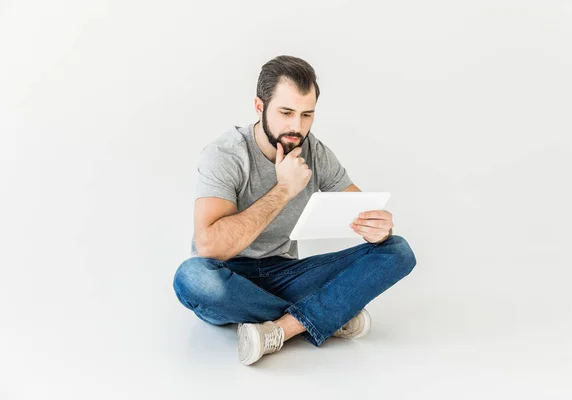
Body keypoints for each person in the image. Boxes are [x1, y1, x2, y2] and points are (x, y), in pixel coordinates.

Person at [172, 55, 417, 366]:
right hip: (229, 275)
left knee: (398, 251)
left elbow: (361, 209)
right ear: (259, 107)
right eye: (286, 112)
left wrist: (379, 229)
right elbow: (209, 246)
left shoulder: (315, 151)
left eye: (307, 115)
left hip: (286, 272)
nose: (296, 126)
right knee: (192, 278)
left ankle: (282, 330)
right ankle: (326, 315)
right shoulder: (225, 154)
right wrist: (284, 190)